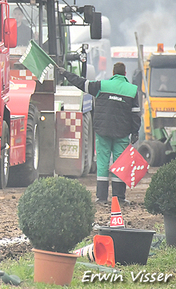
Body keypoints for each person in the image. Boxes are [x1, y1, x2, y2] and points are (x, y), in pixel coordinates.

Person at [57, 62, 141, 204]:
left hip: (103, 131)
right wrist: (135, 132)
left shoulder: (102, 86)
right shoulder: (132, 90)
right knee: (119, 164)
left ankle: (101, 198)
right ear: (125, 74)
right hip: (122, 133)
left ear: (113, 73)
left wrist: (65, 73)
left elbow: (81, 83)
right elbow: (135, 114)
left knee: (102, 163)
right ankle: (119, 198)